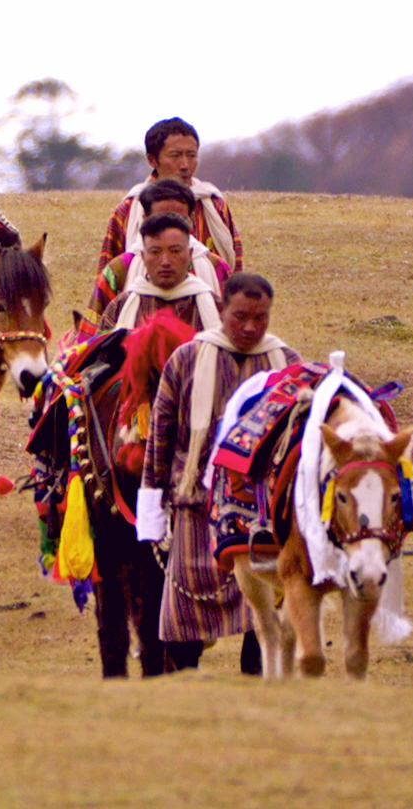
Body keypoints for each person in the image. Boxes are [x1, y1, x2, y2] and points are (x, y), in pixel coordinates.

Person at [139, 273, 296, 672]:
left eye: (260, 318)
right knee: (184, 629)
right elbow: (159, 437)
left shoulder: (288, 365)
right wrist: (152, 510)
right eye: (240, 315)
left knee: (261, 624)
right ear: (221, 309)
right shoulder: (187, 359)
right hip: (194, 509)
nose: (249, 327)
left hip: (260, 514)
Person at [95, 117, 242, 279]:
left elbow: (234, 267)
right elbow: (108, 275)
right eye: (175, 156)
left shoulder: (214, 205)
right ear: (152, 160)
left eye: (191, 155)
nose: (185, 165)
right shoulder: (129, 209)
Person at [87, 178, 230, 320]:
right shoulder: (119, 271)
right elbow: (93, 334)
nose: (165, 261)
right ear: (144, 219)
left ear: (191, 221)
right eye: (160, 219)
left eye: (178, 219)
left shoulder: (216, 268)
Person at [96, 214, 222, 335]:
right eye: (155, 252)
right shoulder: (120, 307)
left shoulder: (216, 308)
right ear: (144, 257)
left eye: (175, 251)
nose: (165, 262)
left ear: (190, 255)